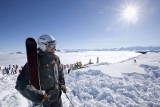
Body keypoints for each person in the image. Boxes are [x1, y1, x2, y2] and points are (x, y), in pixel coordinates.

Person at [15, 34, 67, 107]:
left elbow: (60, 73)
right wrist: (39, 96)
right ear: (43, 46)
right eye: (51, 45)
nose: (54, 48)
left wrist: (62, 84)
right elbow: (20, 84)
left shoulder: (56, 58)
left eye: (55, 45)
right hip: (44, 101)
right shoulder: (34, 61)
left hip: (57, 97)